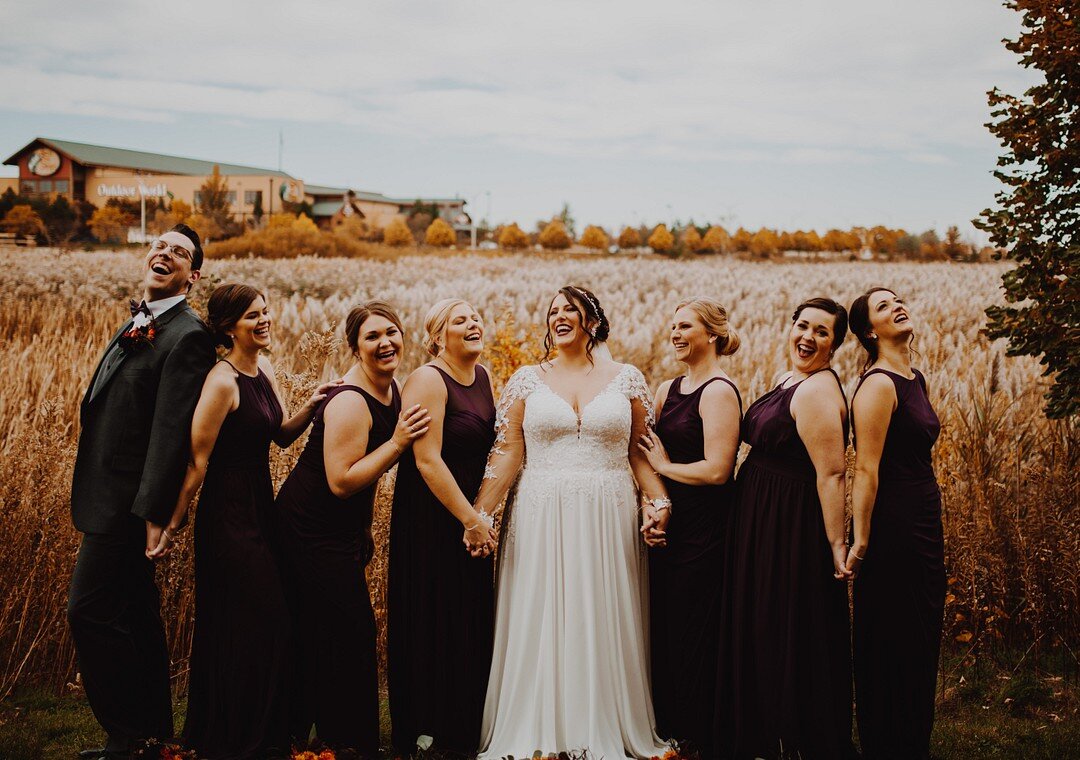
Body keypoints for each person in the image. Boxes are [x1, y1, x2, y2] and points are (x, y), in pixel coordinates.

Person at [474, 285, 670, 760]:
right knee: (542, 610)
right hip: (541, 508)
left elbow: (640, 454)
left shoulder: (627, 379)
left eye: (571, 310)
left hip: (609, 509)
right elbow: (507, 456)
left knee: (603, 608)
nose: (560, 317)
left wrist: (658, 501)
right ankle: (541, 729)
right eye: (554, 311)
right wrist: (479, 515)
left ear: (592, 323)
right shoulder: (525, 380)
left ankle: (601, 725)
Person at [157, 283, 337, 760]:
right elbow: (197, 461)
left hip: (262, 504)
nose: (265, 320)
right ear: (228, 327)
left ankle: (259, 734)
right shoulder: (221, 380)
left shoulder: (265, 368)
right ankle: (239, 736)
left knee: (261, 621)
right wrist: (172, 523)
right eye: (254, 316)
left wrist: (314, 406)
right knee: (262, 619)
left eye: (266, 312)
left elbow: (279, 436)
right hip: (227, 512)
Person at [68, 224, 215, 760]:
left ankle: (128, 732)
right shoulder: (144, 320)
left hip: (129, 505)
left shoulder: (187, 334)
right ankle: (148, 735)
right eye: (160, 244)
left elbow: (170, 431)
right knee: (135, 611)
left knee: (88, 610)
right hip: (109, 491)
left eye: (180, 252)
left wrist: (156, 511)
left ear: (193, 276)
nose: (165, 252)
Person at [276, 300, 428, 758]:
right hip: (306, 527)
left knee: (323, 628)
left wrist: (363, 528)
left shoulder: (394, 389)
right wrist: (400, 441)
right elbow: (342, 482)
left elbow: (365, 483)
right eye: (372, 337)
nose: (386, 343)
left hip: (340, 529)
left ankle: (302, 732)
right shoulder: (349, 401)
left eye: (392, 333)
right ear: (355, 347)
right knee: (351, 629)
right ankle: (348, 741)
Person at [714, 297, 856, 760]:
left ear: (835, 344)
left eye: (821, 332)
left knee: (784, 621)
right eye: (802, 326)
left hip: (789, 521)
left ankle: (790, 732)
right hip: (760, 511)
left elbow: (832, 474)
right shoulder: (789, 379)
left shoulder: (816, 391)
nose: (807, 337)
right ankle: (760, 730)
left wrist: (837, 542)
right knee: (761, 617)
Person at [388, 298, 497, 757]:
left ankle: (464, 723)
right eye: (460, 320)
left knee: (466, 613)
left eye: (475, 317)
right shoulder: (428, 379)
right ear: (437, 337)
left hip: (470, 514)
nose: (472, 324)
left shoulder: (485, 376)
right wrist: (470, 519)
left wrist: (481, 514)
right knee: (433, 612)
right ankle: (426, 728)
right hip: (432, 515)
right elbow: (426, 459)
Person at [638, 298, 742, 756]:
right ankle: (666, 726)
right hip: (670, 523)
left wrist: (665, 464)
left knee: (695, 626)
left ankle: (697, 732)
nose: (675, 333)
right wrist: (652, 506)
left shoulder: (720, 391)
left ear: (712, 333)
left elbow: (719, 470)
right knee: (664, 624)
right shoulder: (667, 389)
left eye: (685, 326)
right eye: (672, 326)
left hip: (706, 528)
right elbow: (648, 462)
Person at [847, 287, 945, 760]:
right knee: (894, 632)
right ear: (869, 331)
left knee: (922, 628)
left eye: (898, 299)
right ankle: (888, 743)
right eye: (883, 306)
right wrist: (861, 540)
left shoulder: (915, 378)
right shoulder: (878, 385)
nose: (898, 306)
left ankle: (913, 741)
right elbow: (865, 468)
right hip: (894, 524)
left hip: (925, 516)